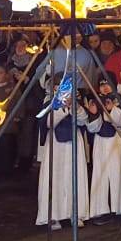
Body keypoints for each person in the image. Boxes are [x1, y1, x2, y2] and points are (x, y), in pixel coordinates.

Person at [84, 75, 121, 222]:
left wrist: (112, 109)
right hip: (101, 142)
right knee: (101, 175)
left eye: (108, 84)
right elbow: (92, 128)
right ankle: (102, 211)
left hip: (119, 141)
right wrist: (94, 115)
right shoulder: (94, 100)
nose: (105, 87)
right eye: (102, 85)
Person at [36, 92, 90, 230]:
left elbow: (84, 120)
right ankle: (53, 215)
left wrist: (75, 108)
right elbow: (49, 122)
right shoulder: (50, 104)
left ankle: (76, 213)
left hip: (74, 143)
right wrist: (63, 109)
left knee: (75, 176)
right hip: (55, 144)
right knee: (54, 177)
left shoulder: (77, 104)